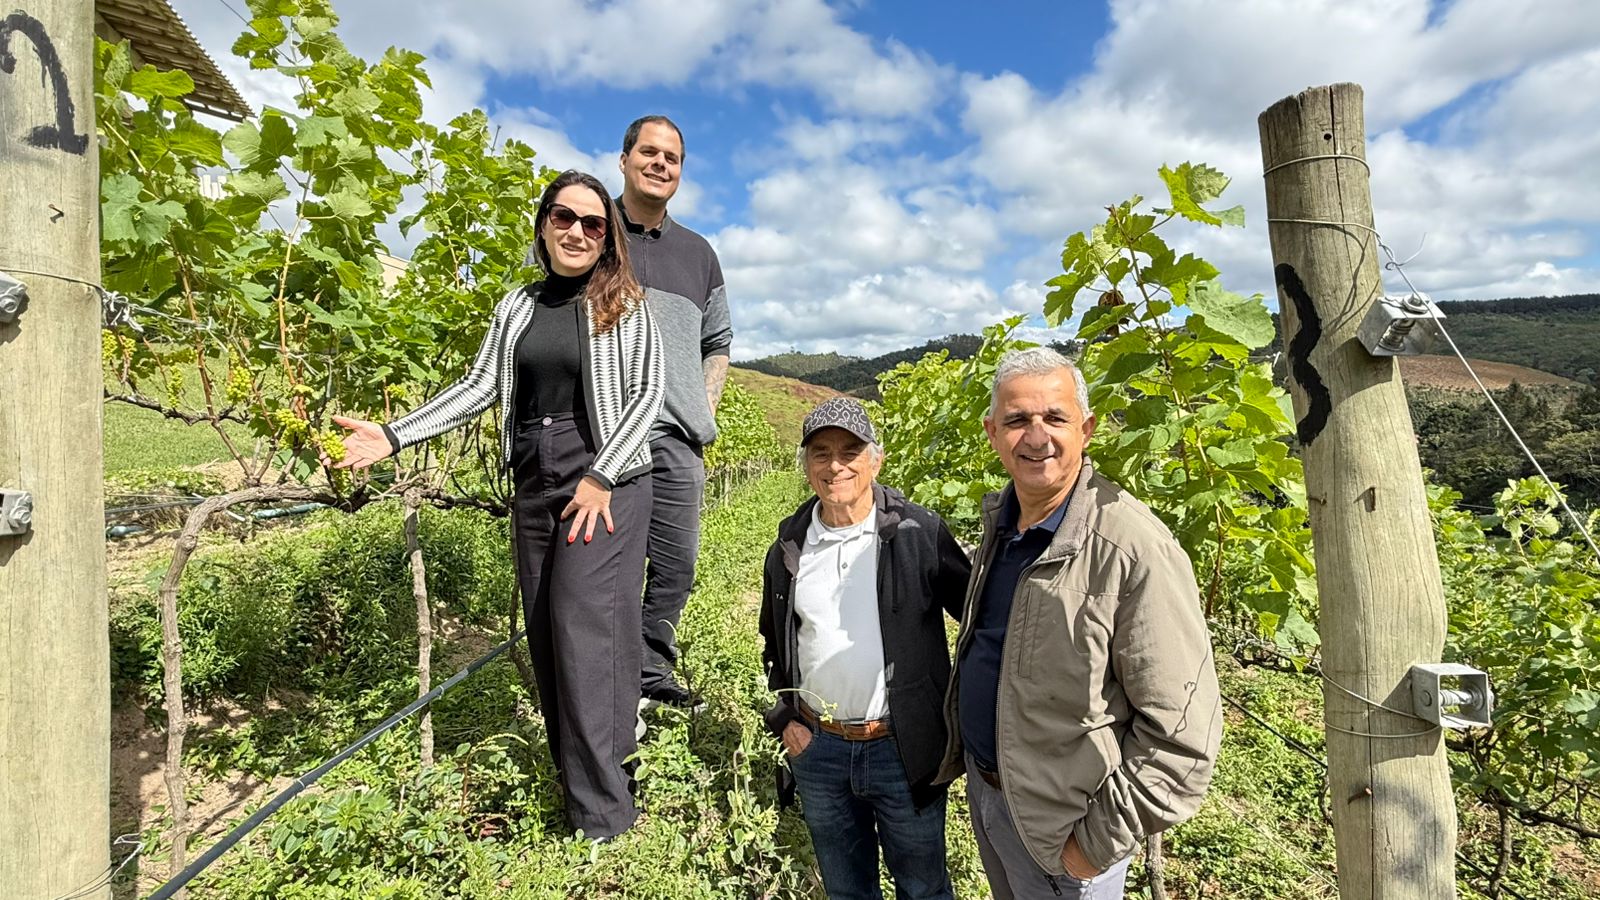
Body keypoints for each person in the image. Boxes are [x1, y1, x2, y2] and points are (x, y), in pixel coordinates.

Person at [329, 170, 663, 841]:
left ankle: (607, 816)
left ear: (608, 239)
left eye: (593, 224)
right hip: (535, 475)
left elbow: (648, 394)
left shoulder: (624, 304)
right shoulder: (517, 305)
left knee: (586, 632)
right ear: (544, 223)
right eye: (564, 217)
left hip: (605, 479)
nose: (577, 232)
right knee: (546, 631)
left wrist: (601, 475)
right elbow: (480, 386)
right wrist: (394, 435)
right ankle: (581, 790)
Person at [937, 348, 1222, 899]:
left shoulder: (1133, 547)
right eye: (1017, 420)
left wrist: (1088, 848)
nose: (1036, 436)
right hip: (993, 797)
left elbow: (1182, 737)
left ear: (1086, 429)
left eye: (1055, 417)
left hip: (1066, 829)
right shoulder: (1003, 524)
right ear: (992, 433)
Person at [758, 397, 971, 900]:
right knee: (846, 889)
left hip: (902, 749)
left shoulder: (918, 533)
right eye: (821, 452)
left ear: (876, 460)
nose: (835, 465)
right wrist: (785, 719)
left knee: (923, 888)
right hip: (819, 749)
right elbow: (774, 642)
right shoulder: (789, 546)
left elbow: (977, 622)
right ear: (806, 465)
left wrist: (959, 718)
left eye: (850, 451)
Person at [615, 115, 733, 710]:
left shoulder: (698, 253)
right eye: (649, 152)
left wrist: (701, 406)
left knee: (675, 565)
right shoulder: (591, 229)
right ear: (624, 159)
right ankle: (604, 678)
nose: (660, 164)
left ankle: (650, 674)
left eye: (672, 157)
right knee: (605, 566)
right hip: (603, 434)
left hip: (676, 439)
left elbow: (719, 340)